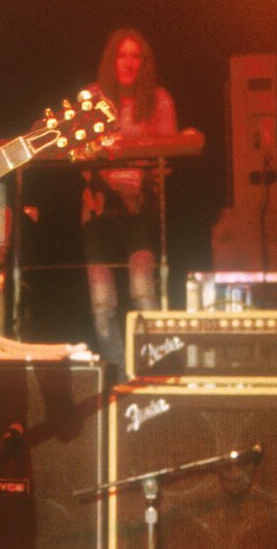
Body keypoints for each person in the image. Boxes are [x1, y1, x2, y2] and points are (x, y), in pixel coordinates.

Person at [81, 29, 177, 381]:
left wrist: (142, 187)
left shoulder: (159, 100)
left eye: (135, 56)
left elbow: (168, 157)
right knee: (103, 304)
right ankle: (122, 377)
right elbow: (79, 151)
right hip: (99, 208)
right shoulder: (92, 97)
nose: (128, 62)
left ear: (144, 63)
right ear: (111, 60)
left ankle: (150, 373)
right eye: (122, 55)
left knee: (143, 293)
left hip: (140, 210)